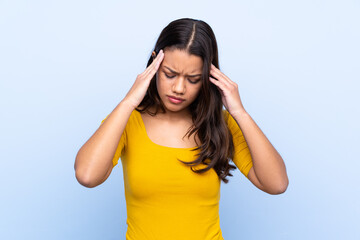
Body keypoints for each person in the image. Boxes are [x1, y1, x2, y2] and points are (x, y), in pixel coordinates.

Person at [74, 18, 289, 240]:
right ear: (155, 63)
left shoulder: (220, 124)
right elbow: (87, 176)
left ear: (208, 77)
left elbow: (277, 184)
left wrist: (240, 113)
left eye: (193, 79)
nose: (178, 88)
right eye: (170, 74)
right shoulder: (127, 121)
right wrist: (129, 101)